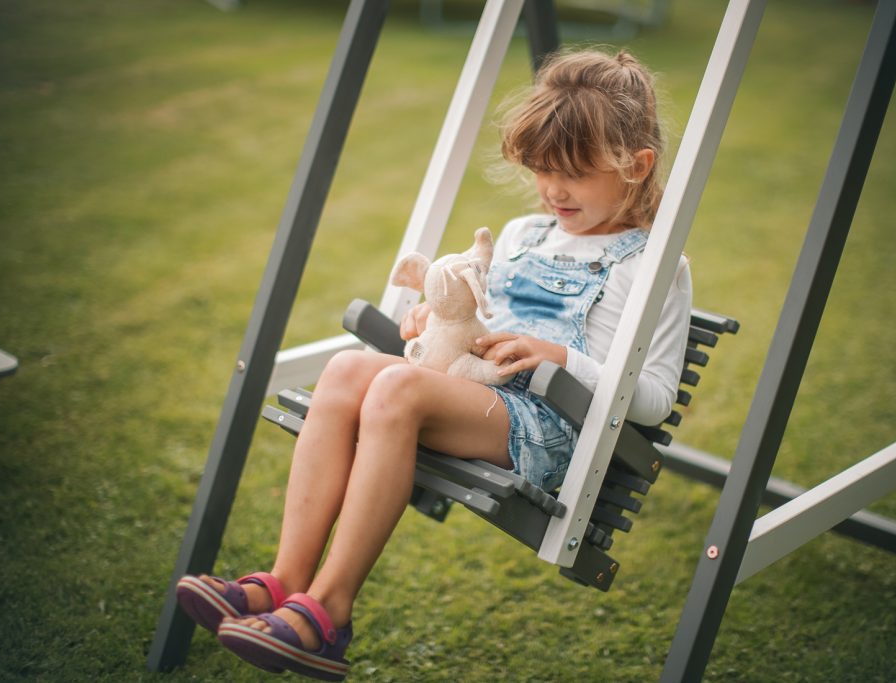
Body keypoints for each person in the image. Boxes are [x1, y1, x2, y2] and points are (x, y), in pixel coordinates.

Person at [174, 47, 692, 681]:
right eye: (541, 170)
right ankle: (284, 581)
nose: (553, 189)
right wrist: (438, 324)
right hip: (478, 396)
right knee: (344, 370)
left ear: (636, 167)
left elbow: (656, 397)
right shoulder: (525, 233)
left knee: (395, 388)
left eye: (575, 174)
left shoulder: (653, 265)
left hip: (550, 427)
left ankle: (329, 613)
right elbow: (479, 320)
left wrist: (562, 358)